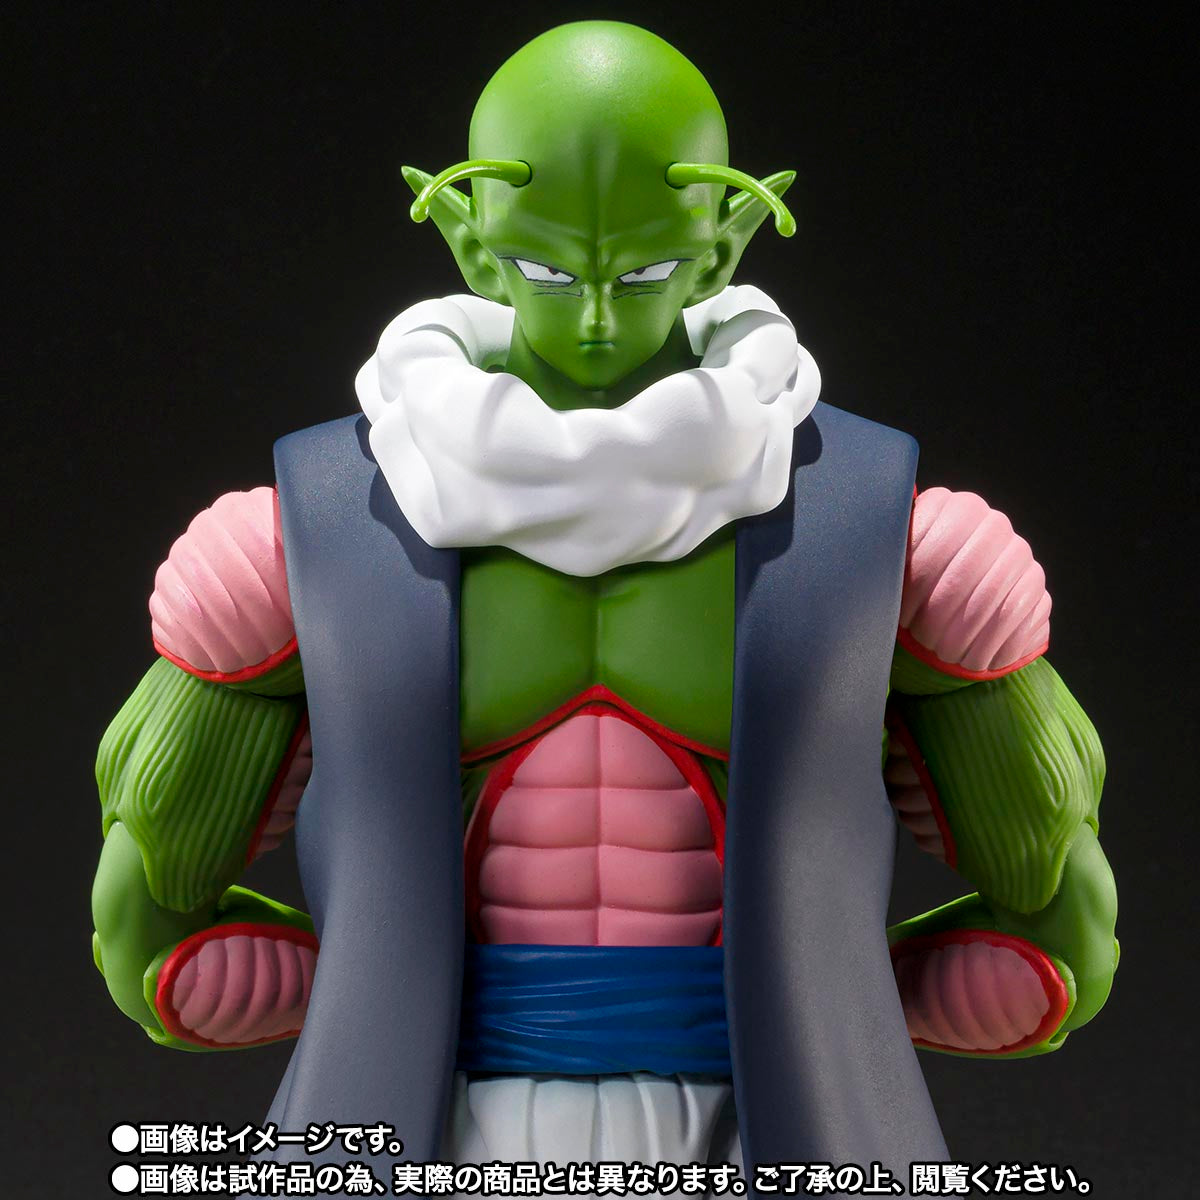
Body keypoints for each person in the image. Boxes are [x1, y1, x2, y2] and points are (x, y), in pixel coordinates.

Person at [92, 21, 1117, 1196]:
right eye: (545, 271)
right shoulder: (301, 539)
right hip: (432, 1118)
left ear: (723, 242)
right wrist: (339, 994)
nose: (590, 319)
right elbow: (153, 925)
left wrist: (852, 1006)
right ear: (469, 237)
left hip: (768, 1119)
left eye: (636, 275)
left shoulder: (887, 537)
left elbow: (1053, 931)